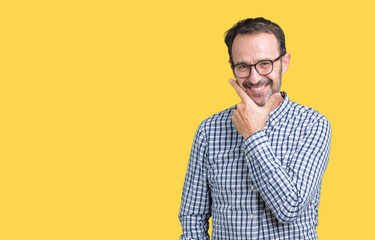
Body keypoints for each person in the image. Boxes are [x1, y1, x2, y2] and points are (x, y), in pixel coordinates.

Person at [178, 17, 331, 240]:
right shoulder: (208, 130)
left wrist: (253, 135)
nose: (254, 77)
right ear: (233, 68)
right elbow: (192, 216)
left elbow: (290, 207)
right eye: (243, 67)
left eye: (264, 63)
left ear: (284, 62)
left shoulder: (313, 125)